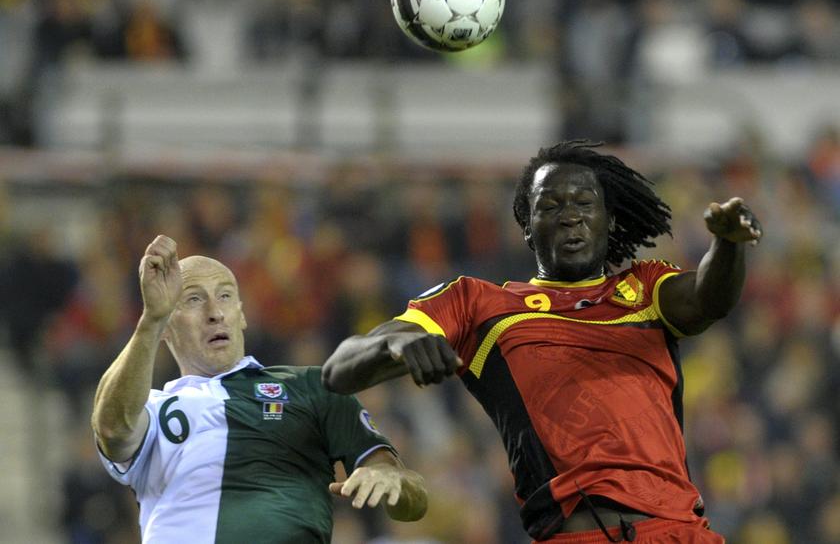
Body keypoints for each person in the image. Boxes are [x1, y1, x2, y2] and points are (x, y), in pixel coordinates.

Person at [322, 140, 762, 543]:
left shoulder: (646, 289)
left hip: (679, 532)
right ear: (528, 228)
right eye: (549, 205)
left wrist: (728, 245)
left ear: (609, 221)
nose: (569, 214)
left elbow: (711, 298)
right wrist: (395, 347)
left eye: (584, 203)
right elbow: (339, 368)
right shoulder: (479, 304)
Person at [91, 235, 427, 544]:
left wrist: (388, 477)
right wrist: (151, 320)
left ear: (241, 315)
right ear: (167, 325)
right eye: (193, 299)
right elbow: (111, 428)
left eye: (225, 296)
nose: (214, 313)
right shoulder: (150, 407)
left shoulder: (311, 387)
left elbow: (412, 499)